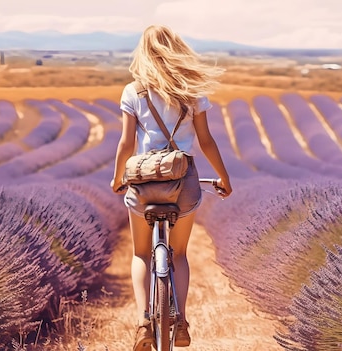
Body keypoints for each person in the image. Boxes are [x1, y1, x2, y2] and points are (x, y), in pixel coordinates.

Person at [110, 24, 232, 350]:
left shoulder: (132, 91)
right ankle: (181, 322)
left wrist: (117, 177)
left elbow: (125, 144)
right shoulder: (192, 93)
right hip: (184, 183)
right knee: (178, 253)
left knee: (140, 253)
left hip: (143, 182)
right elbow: (205, 141)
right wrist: (224, 177)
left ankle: (142, 324)